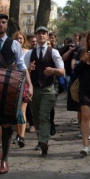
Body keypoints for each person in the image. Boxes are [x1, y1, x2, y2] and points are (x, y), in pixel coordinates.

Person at [0, 12, 33, 174]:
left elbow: (22, 67)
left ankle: (5, 160)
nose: (1, 25)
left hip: (10, 89)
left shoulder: (14, 44)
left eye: (3, 22)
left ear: (6, 25)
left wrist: (29, 85)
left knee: (7, 123)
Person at [24, 26, 65, 156]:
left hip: (48, 89)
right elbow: (22, 71)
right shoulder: (29, 53)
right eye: (39, 33)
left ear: (47, 36)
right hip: (34, 89)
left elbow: (62, 71)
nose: (41, 35)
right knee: (36, 118)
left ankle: (44, 140)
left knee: (44, 115)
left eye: (44, 33)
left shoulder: (53, 52)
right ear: (35, 36)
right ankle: (40, 139)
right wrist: (29, 69)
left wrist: (53, 70)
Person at [12, 31, 30, 147]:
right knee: (14, 111)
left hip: (25, 83)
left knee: (22, 110)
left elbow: (28, 69)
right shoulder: (11, 52)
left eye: (21, 38)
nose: (19, 40)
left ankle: (22, 136)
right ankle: (18, 134)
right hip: (13, 82)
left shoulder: (28, 53)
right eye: (17, 39)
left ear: (24, 40)